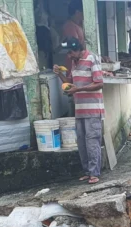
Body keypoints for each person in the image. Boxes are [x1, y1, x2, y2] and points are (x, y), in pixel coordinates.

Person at [54, 37, 104, 184]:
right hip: (80, 109)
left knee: (92, 141)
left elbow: (99, 83)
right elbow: (70, 84)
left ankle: (95, 173)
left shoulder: (92, 59)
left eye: (70, 53)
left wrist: (79, 89)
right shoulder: (74, 64)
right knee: (82, 142)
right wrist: (59, 74)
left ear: (77, 49)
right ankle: (87, 171)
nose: (69, 57)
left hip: (93, 109)